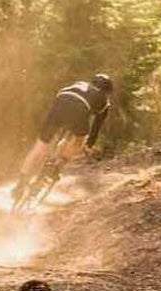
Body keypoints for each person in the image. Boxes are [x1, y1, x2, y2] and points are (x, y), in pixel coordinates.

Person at [11, 74, 113, 204]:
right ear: (107, 91)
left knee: (40, 146)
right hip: (79, 109)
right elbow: (96, 126)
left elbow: (62, 95)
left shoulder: (79, 83)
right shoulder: (104, 100)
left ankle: (20, 183)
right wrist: (89, 144)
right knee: (79, 140)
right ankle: (57, 166)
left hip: (60, 103)